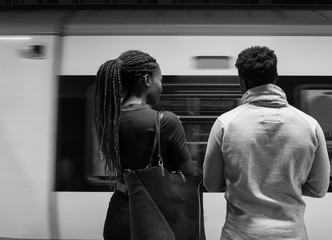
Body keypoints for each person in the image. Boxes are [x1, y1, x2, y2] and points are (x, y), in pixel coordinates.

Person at [203, 46, 330, 240]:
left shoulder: (225, 124)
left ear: (242, 81)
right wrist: (288, 184)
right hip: (292, 235)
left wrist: (241, 184)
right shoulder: (310, 126)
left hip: (239, 235)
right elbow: (319, 189)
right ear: (276, 77)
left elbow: (211, 184)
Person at [93, 50, 194, 240]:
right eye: (160, 80)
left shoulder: (108, 120)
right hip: (154, 215)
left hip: (118, 213)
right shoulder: (166, 121)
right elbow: (189, 174)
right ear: (147, 80)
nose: (161, 87)